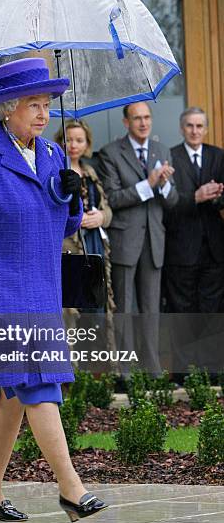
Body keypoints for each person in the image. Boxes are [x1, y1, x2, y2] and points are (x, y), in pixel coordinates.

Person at [0, 58, 108, 522]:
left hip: (41, 290)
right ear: (7, 108)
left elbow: (62, 224)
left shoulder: (54, 156)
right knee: (38, 383)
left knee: (13, 396)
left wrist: (70, 194)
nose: (43, 114)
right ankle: (71, 490)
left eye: (47, 104)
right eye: (33, 104)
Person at [97, 102, 178, 377]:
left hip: (154, 240)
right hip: (125, 239)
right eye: (137, 118)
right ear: (126, 122)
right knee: (124, 306)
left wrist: (164, 184)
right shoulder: (110, 153)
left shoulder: (162, 151)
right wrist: (149, 184)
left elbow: (173, 201)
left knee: (151, 307)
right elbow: (113, 198)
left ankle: (152, 367)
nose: (143, 123)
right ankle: (125, 370)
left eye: (147, 117)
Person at [163, 107, 224, 377]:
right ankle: (184, 372)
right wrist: (196, 197)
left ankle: (210, 371)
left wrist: (216, 195)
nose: (195, 131)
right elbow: (167, 203)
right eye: (190, 126)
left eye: (200, 126)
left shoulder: (218, 156)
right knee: (182, 312)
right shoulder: (170, 157)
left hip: (214, 249)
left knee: (212, 311)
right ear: (181, 128)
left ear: (206, 129)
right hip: (181, 249)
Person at [54, 118, 115, 315]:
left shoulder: (90, 172)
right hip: (69, 248)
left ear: (87, 143)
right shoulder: (55, 172)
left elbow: (108, 210)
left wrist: (100, 218)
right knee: (72, 305)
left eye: (79, 140)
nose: (73, 145)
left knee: (95, 302)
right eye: (68, 139)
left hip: (94, 245)